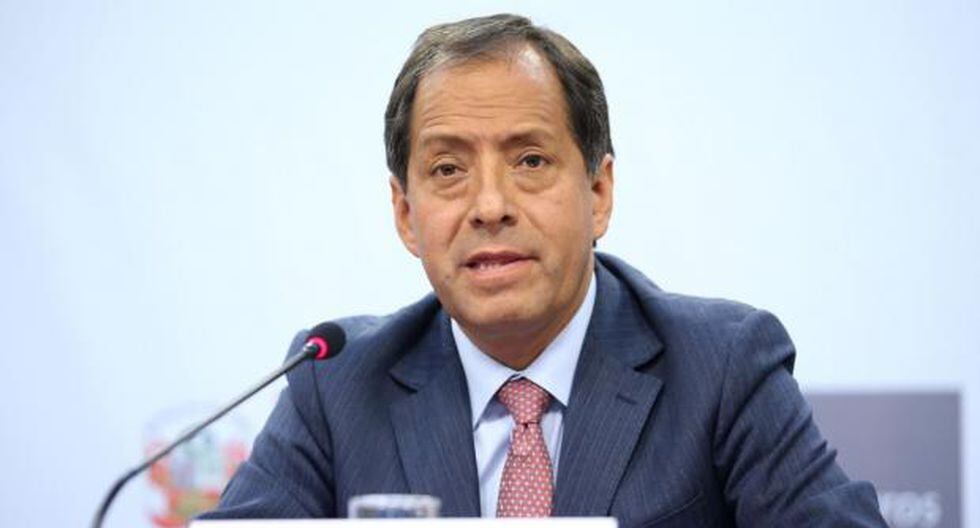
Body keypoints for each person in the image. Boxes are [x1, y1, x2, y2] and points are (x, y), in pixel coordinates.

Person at [201, 14, 886, 526]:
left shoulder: (720, 366)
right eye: (448, 169)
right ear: (406, 214)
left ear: (599, 192)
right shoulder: (337, 383)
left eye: (530, 161)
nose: (489, 206)